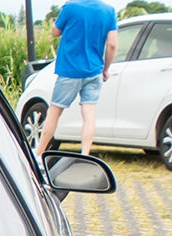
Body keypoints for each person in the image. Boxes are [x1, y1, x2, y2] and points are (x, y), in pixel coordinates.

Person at [35, 0, 118, 157]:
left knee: (54, 111)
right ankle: (85, 154)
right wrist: (106, 68)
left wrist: (54, 22)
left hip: (69, 69)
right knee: (89, 112)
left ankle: (39, 153)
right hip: (94, 71)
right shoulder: (109, 11)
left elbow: (55, 32)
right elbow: (112, 44)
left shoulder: (70, 7)